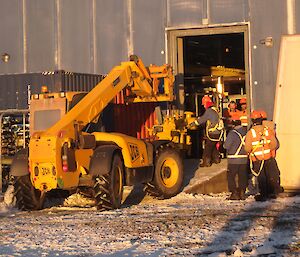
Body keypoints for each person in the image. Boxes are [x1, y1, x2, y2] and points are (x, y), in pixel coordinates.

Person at [244, 110, 282, 201]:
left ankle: (264, 194)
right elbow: (274, 144)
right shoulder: (267, 130)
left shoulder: (251, 133)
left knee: (261, 177)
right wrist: (267, 149)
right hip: (268, 157)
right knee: (270, 175)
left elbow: (247, 148)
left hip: (257, 159)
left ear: (253, 120)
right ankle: (271, 192)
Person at [191, 95, 224, 167]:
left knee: (208, 148)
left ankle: (206, 162)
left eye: (204, 104)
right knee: (213, 145)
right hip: (218, 133)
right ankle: (216, 159)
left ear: (206, 103)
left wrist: (192, 124)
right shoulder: (215, 110)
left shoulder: (209, 111)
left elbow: (202, 120)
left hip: (212, 133)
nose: (203, 106)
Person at [224, 117, 248, 200]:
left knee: (231, 177)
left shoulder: (232, 133)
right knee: (242, 176)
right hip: (244, 158)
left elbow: (226, 146)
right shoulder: (246, 132)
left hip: (233, 158)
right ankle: (242, 192)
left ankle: (234, 193)